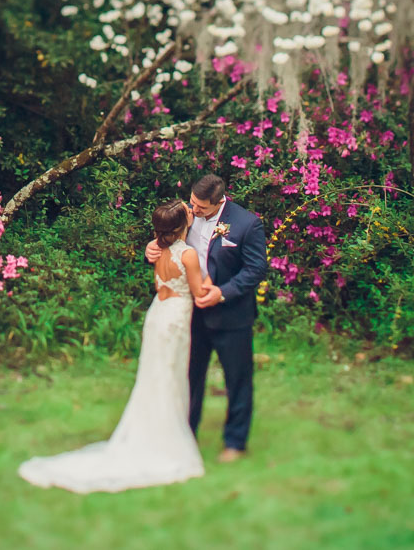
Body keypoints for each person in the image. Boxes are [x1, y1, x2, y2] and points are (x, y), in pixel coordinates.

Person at [18, 200, 209, 493]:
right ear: (184, 225)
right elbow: (198, 292)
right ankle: (169, 440)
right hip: (176, 318)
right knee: (171, 376)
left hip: (157, 314)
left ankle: (156, 432)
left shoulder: (158, 251)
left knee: (155, 375)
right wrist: (219, 288)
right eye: (188, 212)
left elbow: (160, 286)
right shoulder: (189, 255)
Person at [144, 173, 268, 462]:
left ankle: (235, 442)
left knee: (237, 379)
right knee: (190, 377)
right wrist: (152, 248)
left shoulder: (247, 224)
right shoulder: (186, 214)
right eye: (192, 203)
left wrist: (222, 292)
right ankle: (185, 435)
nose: (193, 210)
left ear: (218, 202)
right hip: (190, 314)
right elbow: (168, 245)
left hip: (231, 316)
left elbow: (255, 270)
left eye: (200, 207)